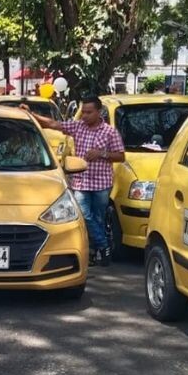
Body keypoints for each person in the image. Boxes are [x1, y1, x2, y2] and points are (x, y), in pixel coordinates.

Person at [27, 97, 125, 266]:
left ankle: (93, 253)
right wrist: (30, 114)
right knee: (85, 216)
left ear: (98, 112)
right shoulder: (78, 126)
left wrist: (101, 154)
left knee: (98, 219)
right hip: (81, 181)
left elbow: (121, 156)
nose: (84, 116)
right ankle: (104, 246)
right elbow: (53, 124)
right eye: (84, 112)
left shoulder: (110, 132)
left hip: (102, 183)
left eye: (89, 112)